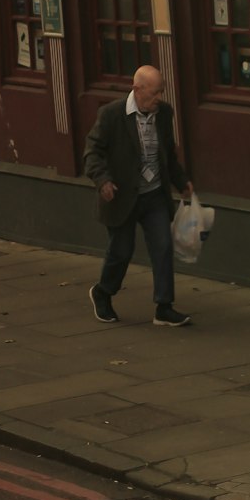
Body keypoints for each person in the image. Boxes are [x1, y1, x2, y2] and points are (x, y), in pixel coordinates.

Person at [83, 64, 194, 327]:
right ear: (137, 89)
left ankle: (164, 307)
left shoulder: (164, 114)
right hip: (122, 196)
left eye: (161, 92)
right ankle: (103, 292)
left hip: (154, 193)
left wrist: (182, 181)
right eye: (154, 93)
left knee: (163, 247)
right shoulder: (112, 114)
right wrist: (103, 181)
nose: (159, 98)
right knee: (121, 251)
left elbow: (167, 152)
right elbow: (92, 152)